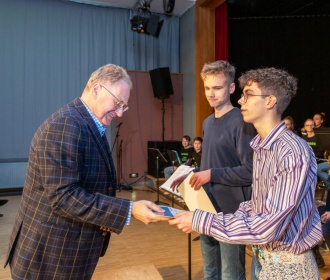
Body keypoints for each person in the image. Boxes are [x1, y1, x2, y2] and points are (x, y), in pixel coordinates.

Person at [4, 64, 169, 280]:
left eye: (124, 107)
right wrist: (128, 209)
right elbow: (64, 197)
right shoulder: (64, 126)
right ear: (97, 89)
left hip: (66, 253)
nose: (120, 113)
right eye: (117, 103)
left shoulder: (86, 123)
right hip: (48, 259)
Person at [169, 67, 323, 279]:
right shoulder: (261, 147)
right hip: (262, 258)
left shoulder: (292, 151)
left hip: (288, 266)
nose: (241, 101)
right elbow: (258, 204)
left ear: (270, 101)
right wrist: (209, 215)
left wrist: (202, 221)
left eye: (248, 95)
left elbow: (269, 225)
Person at [171, 61, 256, 280]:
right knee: (210, 272)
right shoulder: (208, 122)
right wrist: (187, 174)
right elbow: (212, 163)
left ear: (230, 88)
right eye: (207, 88)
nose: (211, 93)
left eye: (217, 88)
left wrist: (211, 174)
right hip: (205, 207)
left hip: (231, 212)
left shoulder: (242, 121)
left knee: (231, 274)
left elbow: (250, 171)